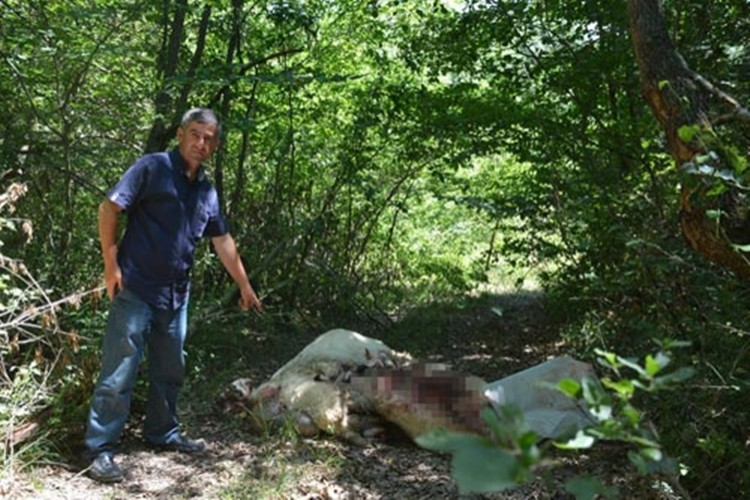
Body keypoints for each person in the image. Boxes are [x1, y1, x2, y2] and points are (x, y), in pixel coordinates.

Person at [84, 108, 262, 483]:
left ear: (215, 144)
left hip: (175, 295)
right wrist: (110, 263)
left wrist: (244, 285)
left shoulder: (206, 190)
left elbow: (221, 239)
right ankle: (100, 449)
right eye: (195, 134)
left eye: (209, 138)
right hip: (134, 286)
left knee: (170, 368)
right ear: (181, 134)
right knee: (119, 370)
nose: (202, 143)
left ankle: (161, 433)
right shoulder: (152, 168)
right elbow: (110, 207)